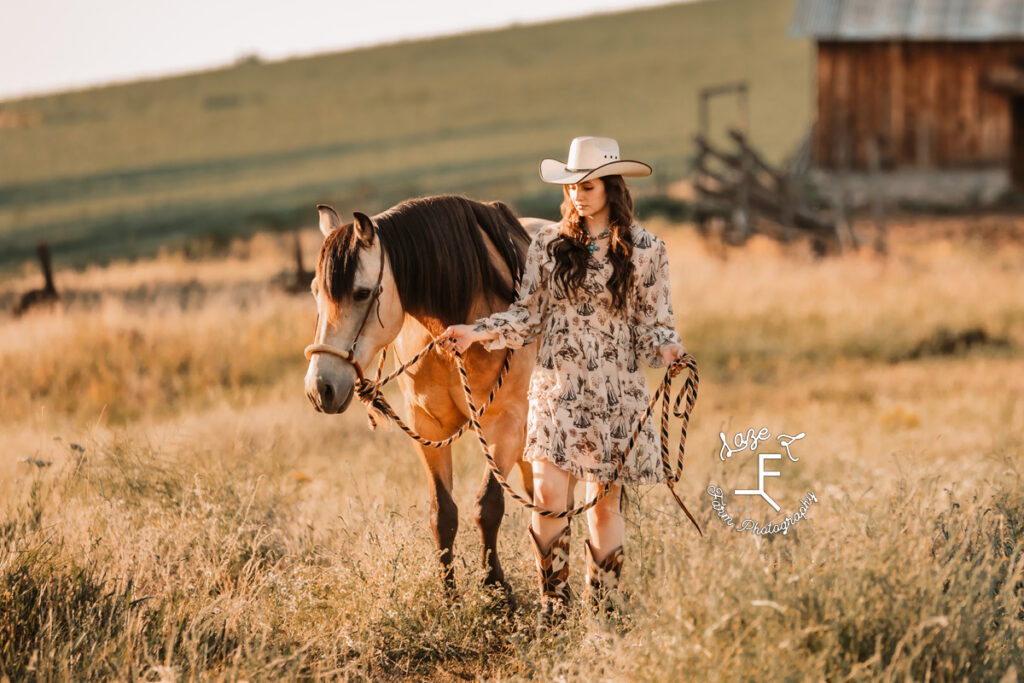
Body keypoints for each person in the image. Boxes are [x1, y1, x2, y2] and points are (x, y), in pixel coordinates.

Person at [440, 136, 685, 631]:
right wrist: (475, 333)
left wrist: (670, 350)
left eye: (589, 185)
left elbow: (656, 322)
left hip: (615, 392)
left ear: (612, 187)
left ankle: (606, 612)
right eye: (572, 185)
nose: (578, 194)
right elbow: (526, 319)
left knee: (604, 504)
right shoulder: (549, 246)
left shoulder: (646, 249)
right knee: (550, 494)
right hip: (556, 390)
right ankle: (553, 606)